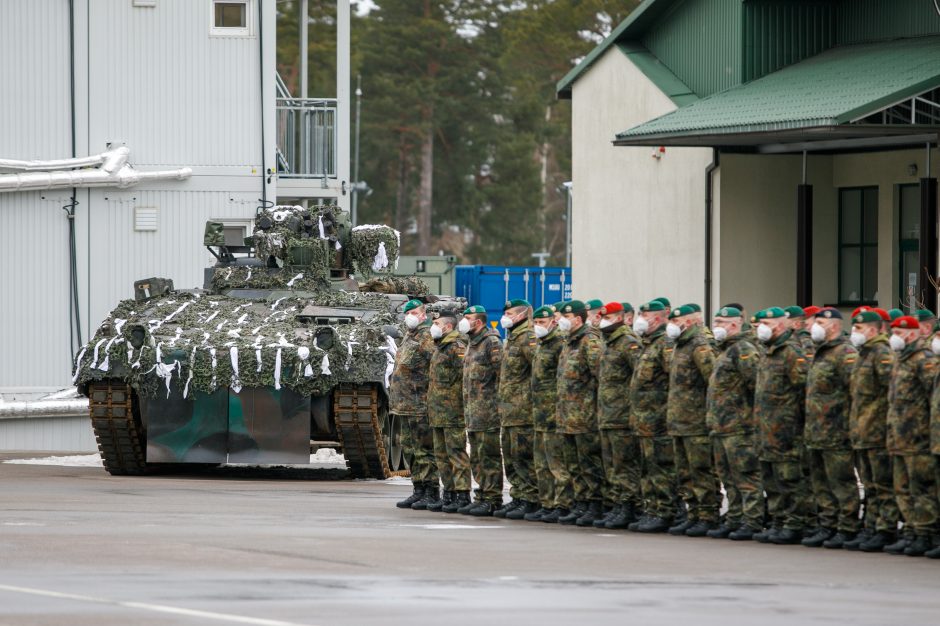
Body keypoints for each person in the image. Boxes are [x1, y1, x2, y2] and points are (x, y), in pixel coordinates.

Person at [801, 308, 861, 549]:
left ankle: (846, 528)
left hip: (837, 431)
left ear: (833, 326)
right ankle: (827, 525)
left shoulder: (845, 353)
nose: (813, 326)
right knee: (821, 482)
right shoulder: (820, 352)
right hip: (816, 431)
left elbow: (854, 392)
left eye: (819, 322)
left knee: (842, 482)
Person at [752, 307, 811, 545]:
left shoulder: (791, 352)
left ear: (779, 325)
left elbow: (803, 390)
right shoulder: (768, 351)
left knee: (790, 479)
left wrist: (796, 425)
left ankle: (795, 523)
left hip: (787, 430)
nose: (761, 328)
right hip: (767, 429)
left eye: (766, 323)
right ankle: (778, 521)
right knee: (771, 479)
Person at [706, 306, 763, 540]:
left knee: (746, 477)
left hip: (740, 426)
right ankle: (735, 518)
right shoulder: (725, 350)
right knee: (728, 478)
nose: (716, 325)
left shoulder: (744, 350)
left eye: (720, 322)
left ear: (734, 325)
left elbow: (756, 386)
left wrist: (748, 418)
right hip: (721, 426)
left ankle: (752, 521)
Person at [884, 315, 939, 556]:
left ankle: (927, 533)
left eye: (899, 332)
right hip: (899, 436)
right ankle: (912, 531)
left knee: (922, 489)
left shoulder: (922, 360)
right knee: (903, 489)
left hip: (918, 437)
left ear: (913, 333)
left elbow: (933, 400)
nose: (894, 336)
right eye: (893, 331)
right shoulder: (900, 359)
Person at [845, 310, 898, 552]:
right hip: (863, 431)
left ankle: (885, 529)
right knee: (870, 484)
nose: (855, 332)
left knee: (882, 484)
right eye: (854, 328)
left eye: (860, 328)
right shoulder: (864, 355)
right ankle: (872, 526)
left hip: (877, 431)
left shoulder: (881, 354)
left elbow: (892, 393)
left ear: (875, 330)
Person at [665, 304, 719, 537]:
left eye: (676, 322)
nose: (672, 326)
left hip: (696, 421)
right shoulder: (681, 346)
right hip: (679, 421)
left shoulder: (699, 346)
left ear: (688, 323)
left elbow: (713, 382)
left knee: (701, 470)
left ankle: (707, 515)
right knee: (685, 472)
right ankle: (694, 513)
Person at [555, 300, 605, 526]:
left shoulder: (589, 341)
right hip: (568, 415)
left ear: (577, 319)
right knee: (573, 464)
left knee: (589, 464)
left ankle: (594, 504)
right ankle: (580, 503)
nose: (561, 321)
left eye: (566, 317)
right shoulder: (569, 341)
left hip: (585, 416)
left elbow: (600, 377)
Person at [628, 300, 676, 533]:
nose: (640, 319)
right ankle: (653, 509)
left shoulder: (665, 344)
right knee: (647, 468)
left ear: (658, 319)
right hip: (644, 420)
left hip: (659, 419)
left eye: (645, 316)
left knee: (662, 468)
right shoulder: (647, 344)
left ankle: (666, 511)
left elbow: (673, 381)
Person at [594, 302, 643, 529]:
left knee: (625, 465)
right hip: (607, 414)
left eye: (607, 317)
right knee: (612, 465)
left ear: (620, 318)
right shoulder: (608, 342)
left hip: (622, 415)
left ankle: (629, 507)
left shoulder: (628, 343)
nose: (602, 320)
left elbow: (639, 379)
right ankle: (617, 505)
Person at [389, 299, 439, 510]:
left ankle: (431, 492)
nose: (410, 315)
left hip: (420, 405)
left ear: (423, 314)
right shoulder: (410, 336)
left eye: (415, 311)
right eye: (407, 311)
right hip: (405, 405)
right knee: (410, 449)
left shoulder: (427, 337)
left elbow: (435, 367)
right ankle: (418, 489)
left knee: (424, 450)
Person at [458, 305, 504, 516]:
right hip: (473, 413)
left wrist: (499, 407)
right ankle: (482, 495)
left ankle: (493, 498)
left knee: (489, 456)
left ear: (479, 321)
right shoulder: (471, 343)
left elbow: (501, 376)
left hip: (487, 412)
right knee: (477, 456)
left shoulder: (491, 343)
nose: (465, 320)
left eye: (469, 317)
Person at [496, 299, 539, 519]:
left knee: (524, 457)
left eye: (510, 313)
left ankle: (531, 499)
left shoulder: (527, 337)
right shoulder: (511, 338)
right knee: (512, 458)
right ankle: (518, 496)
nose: (506, 316)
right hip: (510, 410)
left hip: (523, 411)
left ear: (522, 314)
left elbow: (539, 373)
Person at [426, 313, 471, 513]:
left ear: (448, 326)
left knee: (456, 454)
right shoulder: (440, 346)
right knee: (441, 456)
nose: (433, 326)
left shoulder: (456, 347)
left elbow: (465, 379)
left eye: (436, 323)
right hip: (437, 411)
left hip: (453, 411)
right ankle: (449, 493)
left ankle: (462, 494)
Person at [527, 305, 569, 523]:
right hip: (539, 413)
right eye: (535, 322)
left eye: (542, 323)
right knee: (542, 464)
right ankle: (547, 503)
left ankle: (562, 505)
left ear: (553, 322)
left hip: (554, 412)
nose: (537, 326)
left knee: (557, 464)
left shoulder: (559, 345)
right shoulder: (542, 345)